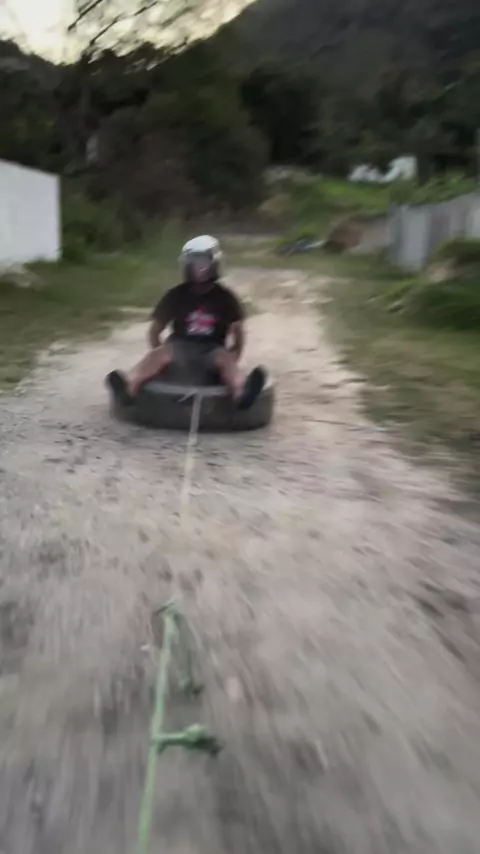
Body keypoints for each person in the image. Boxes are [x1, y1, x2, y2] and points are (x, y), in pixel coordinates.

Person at [106, 235, 265, 410]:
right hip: (179, 347)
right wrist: (163, 361)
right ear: (187, 264)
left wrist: (233, 358)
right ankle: (128, 389)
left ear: (214, 263)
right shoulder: (175, 295)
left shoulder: (226, 298)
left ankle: (242, 393)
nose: (199, 266)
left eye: (204, 260)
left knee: (225, 361)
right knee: (158, 355)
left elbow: (238, 335)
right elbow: (154, 331)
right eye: (194, 261)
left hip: (212, 349)